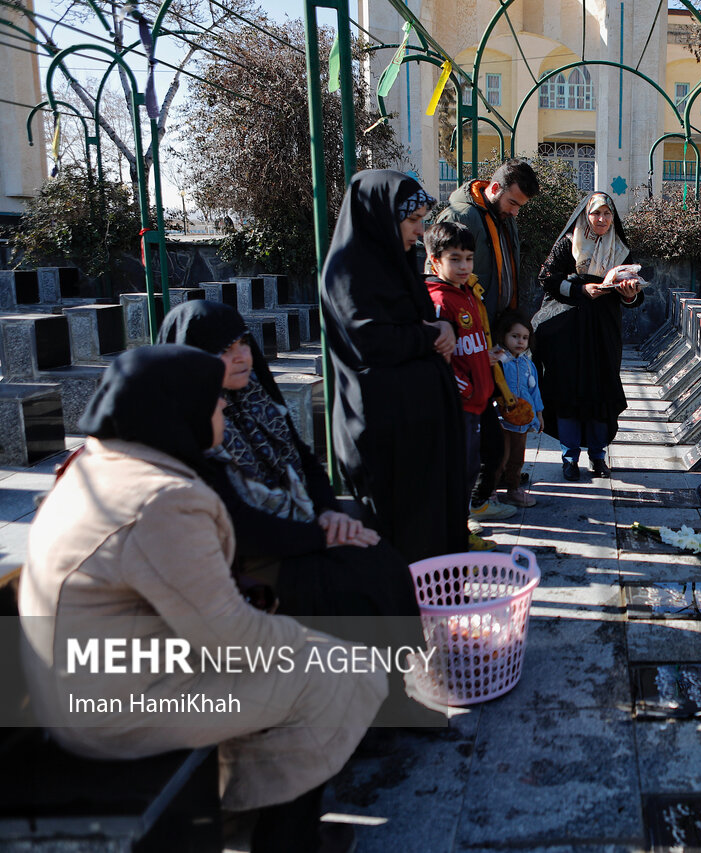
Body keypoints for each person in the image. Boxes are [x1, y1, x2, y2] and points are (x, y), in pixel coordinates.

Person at [18, 345, 386, 852]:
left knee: (313, 660)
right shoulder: (162, 502)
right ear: (179, 410)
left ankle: (252, 817)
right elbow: (232, 637)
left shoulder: (103, 464)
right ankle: (281, 838)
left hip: (90, 679)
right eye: (213, 404)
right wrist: (310, 643)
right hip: (112, 706)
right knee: (339, 674)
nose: (220, 413)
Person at [158, 301, 434, 720]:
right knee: (343, 588)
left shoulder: (253, 394)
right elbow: (233, 521)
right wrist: (321, 534)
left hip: (300, 526)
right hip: (245, 558)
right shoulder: (191, 420)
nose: (241, 357)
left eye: (242, 343)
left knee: (382, 558)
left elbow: (303, 459)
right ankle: (352, 715)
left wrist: (328, 512)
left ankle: (397, 694)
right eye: (223, 350)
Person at [321, 169, 469, 563]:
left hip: (420, 429)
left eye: (422, 221)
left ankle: (439, 614)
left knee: (434, 539)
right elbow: (372, 341)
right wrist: (430, 335)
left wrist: (445, 328)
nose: (420, 232)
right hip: (387, 434)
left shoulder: (398, 264)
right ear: (379, 217)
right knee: (401, 544)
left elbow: (431, 321)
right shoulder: (347, 271)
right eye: (412, 220)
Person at [436, 160, 541, 523]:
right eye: (513, 203)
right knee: (485, 422)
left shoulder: (502, 216)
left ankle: (496, 482)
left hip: (496, 324)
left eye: (519, 207)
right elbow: (444, 269)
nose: (515, 211)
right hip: (471, 328)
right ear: (495, 189)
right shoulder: (463, 215)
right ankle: (481, 492)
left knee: (503, 410)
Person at [533, 191, 645, 480]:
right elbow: (547, 279)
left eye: (607, 214)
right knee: (568, 391)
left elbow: (630, 296)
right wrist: (581, 290)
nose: (602, 219)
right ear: (586, 215)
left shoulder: (619, 249)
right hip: (568, 331)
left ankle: (598, 457)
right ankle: (569, 458)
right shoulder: (568, 245)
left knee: (601, 391)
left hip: (603, 332)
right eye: (596, 213)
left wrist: (630, 294)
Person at [424, 221, 501, 551]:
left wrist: (486, 357)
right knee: (456, 472)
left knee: (470, 468)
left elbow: (467, 344)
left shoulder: (467, 292)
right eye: (455, 258)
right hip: (459, 405)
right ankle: (453, 537)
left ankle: (458, 528)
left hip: (476, 401)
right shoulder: (439, 300)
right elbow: (440, 360)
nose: (464, 266)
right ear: (434, 260)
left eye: (468, 258)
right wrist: (465, 388)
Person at [495, 309, 544, 507]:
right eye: (515, 336)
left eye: (524, 337)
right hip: (500, 419)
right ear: (504, 335)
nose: (520, 342)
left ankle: (513, 489)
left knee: (517, 456)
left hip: (522, 420)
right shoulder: (497, 360)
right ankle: (489, 493)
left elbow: (535, 392)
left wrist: (539, 414)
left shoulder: (527, 364)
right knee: (499, 456)